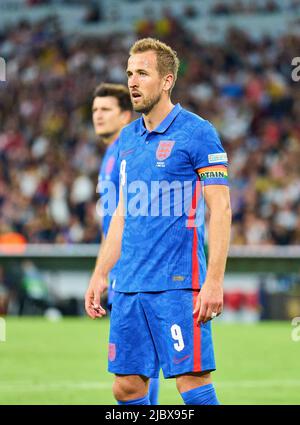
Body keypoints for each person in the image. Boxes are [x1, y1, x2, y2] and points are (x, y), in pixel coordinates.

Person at [85, 38, 231, 405]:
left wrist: (213, 281)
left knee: (192, 382)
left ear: (167, 81)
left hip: (178, 285)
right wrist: (101, 273)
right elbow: (122, 212)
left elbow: (221, 208)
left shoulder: (197, 132)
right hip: (130, 284)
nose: (132, 81)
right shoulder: (127, 140)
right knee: (127, 386)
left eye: (143, 73)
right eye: (130, 73)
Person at [91, 82, 160, 404]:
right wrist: (100, 271)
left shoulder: (130, 148)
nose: (98, 116)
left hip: (136, 264)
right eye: (94, 110)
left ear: (124, 116)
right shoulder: (111, 152)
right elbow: (111, 221)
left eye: (106, 110)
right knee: (137, 363)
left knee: (138, 363)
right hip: (120, 264)